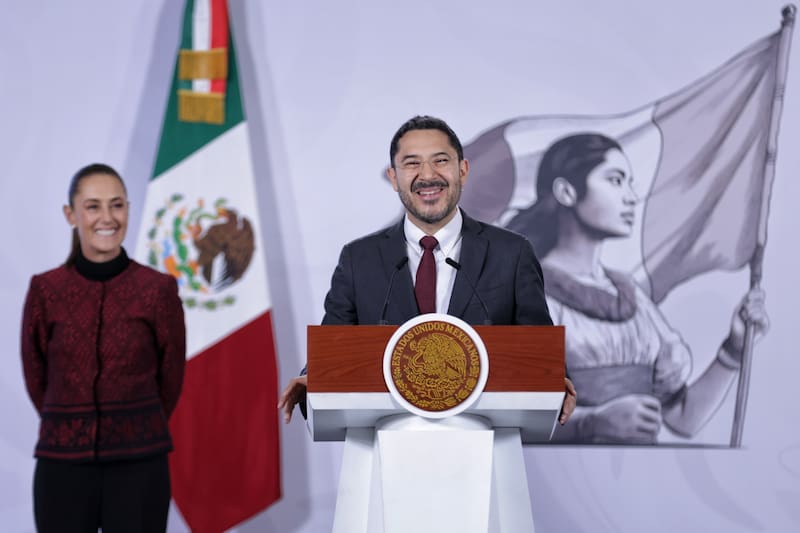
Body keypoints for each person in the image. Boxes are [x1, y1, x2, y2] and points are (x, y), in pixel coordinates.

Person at [279, 115, 577, 423]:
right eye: (412, 164)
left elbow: (539, 349)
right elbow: (335, 348)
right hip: (384, 446)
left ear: (463, 170)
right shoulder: (359, 259)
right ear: (393, 178)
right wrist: (312, 377)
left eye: (440, 161)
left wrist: (556, 379)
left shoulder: (511, 253)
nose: (427, 175)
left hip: (484, 445)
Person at [506, 133, 769, 444]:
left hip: (638, 481)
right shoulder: (524, 291)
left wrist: (734, 349)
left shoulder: (631, 297)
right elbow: (511, 420)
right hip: (560, 481)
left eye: (630, 182)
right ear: (566, 192)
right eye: (616, 181)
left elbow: (683, 419)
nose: (631, 196)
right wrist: (592, 423)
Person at [20, 163, 186, 532]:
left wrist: (135, 426)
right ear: (71, 214)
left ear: (128, 208)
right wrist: (67, 422)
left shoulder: (157, 289)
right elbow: (36, 375)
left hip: (140, 465)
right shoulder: (45, 290)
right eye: (93, 206)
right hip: (61, 466)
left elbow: (171, 376)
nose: (107, 217)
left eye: (117, 205)